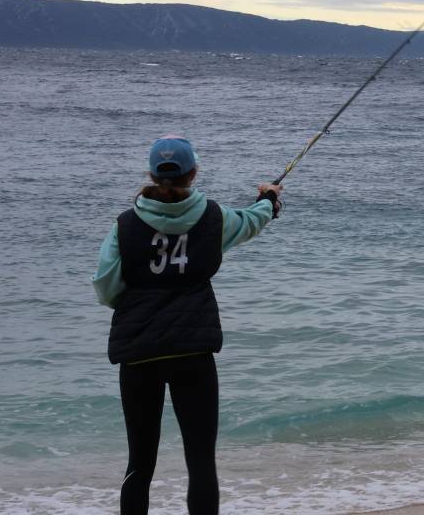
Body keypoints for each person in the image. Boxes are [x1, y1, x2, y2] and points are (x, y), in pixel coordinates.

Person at [92, 135, 283, 515]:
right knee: (200, 462)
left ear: (151, 173)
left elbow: (105, 287)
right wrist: (268, 199)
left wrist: (138, 301)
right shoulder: (213, 217)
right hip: (194, 354)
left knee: (139, 464)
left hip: (139, 354)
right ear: (193, 173)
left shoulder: (125, 225)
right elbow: (250, 222)